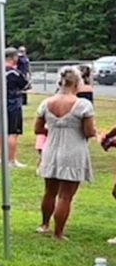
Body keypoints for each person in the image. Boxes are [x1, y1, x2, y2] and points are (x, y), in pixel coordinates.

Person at [34, 67, 94, 240]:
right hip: (73, 150)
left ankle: (44, 224)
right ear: (77, 83)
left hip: (51, 149)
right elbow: (89, 132)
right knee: (66, 196)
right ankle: (58, 233)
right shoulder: (83, 105)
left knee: (49, 191)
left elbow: (38, 128)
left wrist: (54, 129)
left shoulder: (46, 103)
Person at [0, 48, 30, 168]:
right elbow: (26, 84)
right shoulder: (13, 73)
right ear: (13, 58)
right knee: (13, 133)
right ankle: (11, 160)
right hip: (12, 103)